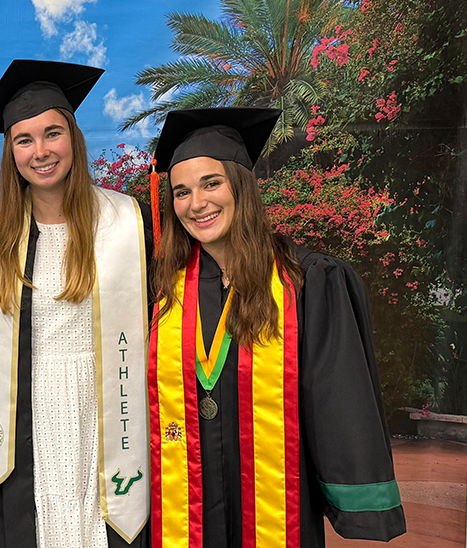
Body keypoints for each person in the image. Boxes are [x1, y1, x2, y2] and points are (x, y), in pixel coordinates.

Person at [147, 108, 406, 548]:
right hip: (184, 507)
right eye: (181, 192)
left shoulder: (306, 280)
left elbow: (336, 396)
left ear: (241, 186)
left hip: (274, 507)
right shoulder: (165, 290)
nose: (196, 203)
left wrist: (355, 488)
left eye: (212, 183)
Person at [0, 60, 152, 548]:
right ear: (11, 153)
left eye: (53, 133)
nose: (41, 151)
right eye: (24, 140)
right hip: (27, 409)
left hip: (110, 403)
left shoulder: (126, 221)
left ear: (74, 138)